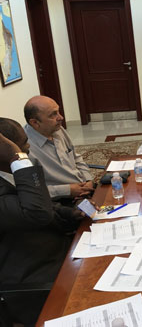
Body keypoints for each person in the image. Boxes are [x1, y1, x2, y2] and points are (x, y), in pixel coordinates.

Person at [0, 118, 81, 325]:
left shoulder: (8, 175)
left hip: (61, 252)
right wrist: (16, 157)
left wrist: (68, 214)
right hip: (37, 280)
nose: (27, 148)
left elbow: (42, 207)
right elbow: (37, 212)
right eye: (21, 145)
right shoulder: (17, 167)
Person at [24, 95, 94, 204]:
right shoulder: (24, 147)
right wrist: (68, 190)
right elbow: (30, 191)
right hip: (60, 201)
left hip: (84, 189)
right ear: (35, 123)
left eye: (58, 111)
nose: (61, 117)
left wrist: (88, 180)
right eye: (53, 114)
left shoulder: (57, 129)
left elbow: (76, 158)